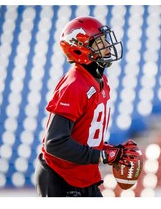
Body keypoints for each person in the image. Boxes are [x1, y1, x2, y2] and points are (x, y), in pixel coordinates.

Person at [34, 16, 128, 197]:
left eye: (105, 40)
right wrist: (100, 156)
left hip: (83, 176)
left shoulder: (101, 80)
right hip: (61, 177)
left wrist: (108, 150)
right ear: (80, 49)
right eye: (99, 42)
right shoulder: (75, 84)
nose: (107, 46)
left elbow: (84, 135)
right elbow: (55, 143)